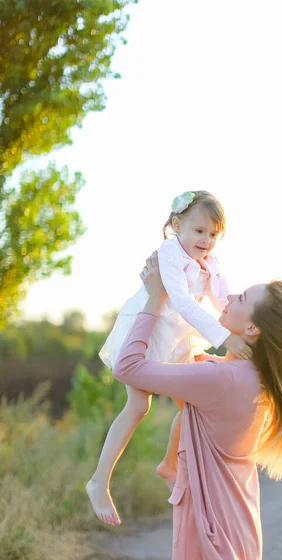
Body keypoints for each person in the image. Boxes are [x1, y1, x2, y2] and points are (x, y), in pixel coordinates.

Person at [112, 255, 282, 560]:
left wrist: (154, 300)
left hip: (209, 526)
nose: (230, 296)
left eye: (242, 299)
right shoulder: (255, 379)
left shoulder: (218, 378)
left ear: (252, 329)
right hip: (240, 523)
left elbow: (127, 367)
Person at [87, 190, 251, 526]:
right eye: (199, 231)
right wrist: (224, 337)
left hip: (177, 336)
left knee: (194, 404)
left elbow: (220, 302)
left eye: (213, 234)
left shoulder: (211, 262)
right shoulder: (168, 253)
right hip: (148, 330)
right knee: (138, 407)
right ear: (177, 224)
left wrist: (246, 328)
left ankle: (170, 465)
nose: (206, 240)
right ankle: (98, 481)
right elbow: (181, 300)